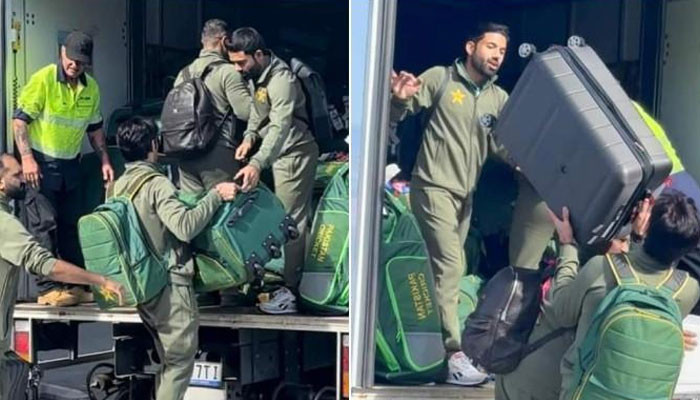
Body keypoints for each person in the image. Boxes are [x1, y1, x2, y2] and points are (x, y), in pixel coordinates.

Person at [389, 22, 511, 385]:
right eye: (491, 47)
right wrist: (398, 97)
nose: (496, 56)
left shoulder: (498, 99)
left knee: (443, 271)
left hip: (464, 195)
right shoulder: (441, 78)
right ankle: (452, 351)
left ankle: (424, 346)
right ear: (471, 46)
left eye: (502, 51)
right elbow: (400, 112)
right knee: (450, 264)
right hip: (432, 187)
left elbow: (503, 148)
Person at [497, 193, 700, 400]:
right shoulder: (687, 289)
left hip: (584, 391)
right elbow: (648, 282)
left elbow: (562, 311)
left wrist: (567, 246)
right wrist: (638, 239)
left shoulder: (601, 269)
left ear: (648, 227)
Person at [114, 117, 237, 400]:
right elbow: (184, 226)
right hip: (169, 284)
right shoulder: (156, 183)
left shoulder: (118, 186)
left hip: (142, 283)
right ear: (154, 145)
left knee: (168, 360)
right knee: (180, 362)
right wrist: (215, 196)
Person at [0, 153, 122, 400]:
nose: (24, 179)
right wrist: (100, 280)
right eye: (16, 174)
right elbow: (45, 265)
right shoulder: (4, 224)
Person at [12, 31, 115, 306]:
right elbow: (20, 122)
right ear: (61, 52)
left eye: (80, 62)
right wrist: (27, 158)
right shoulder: (44, 79)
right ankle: (48, 288)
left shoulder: (90, 88)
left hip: (71, 165)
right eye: (71, 59)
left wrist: (104, 159)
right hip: (40, 164)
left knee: (71, 226)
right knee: (44, 224)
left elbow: (95, 129)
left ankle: (73, 285)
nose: (74, 66)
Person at [227, 27, 319, 314]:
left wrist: (257, 162)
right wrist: (249, 136)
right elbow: (258, 110)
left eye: (241, 63)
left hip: (293, 153)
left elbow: (279, 126)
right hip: (274, 154)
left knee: (291, 222)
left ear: (258, 54)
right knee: (275, 217)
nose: (238, 69)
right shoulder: (260, 77)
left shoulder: (282, 80)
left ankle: (292, 290)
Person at [175, 19, 252, 193]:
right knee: (227, 212)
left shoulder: (182, 74)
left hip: (185, 156)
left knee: (196, 212)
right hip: (218, 155)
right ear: (225, 41)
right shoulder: (228, 72)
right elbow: (246, 113)